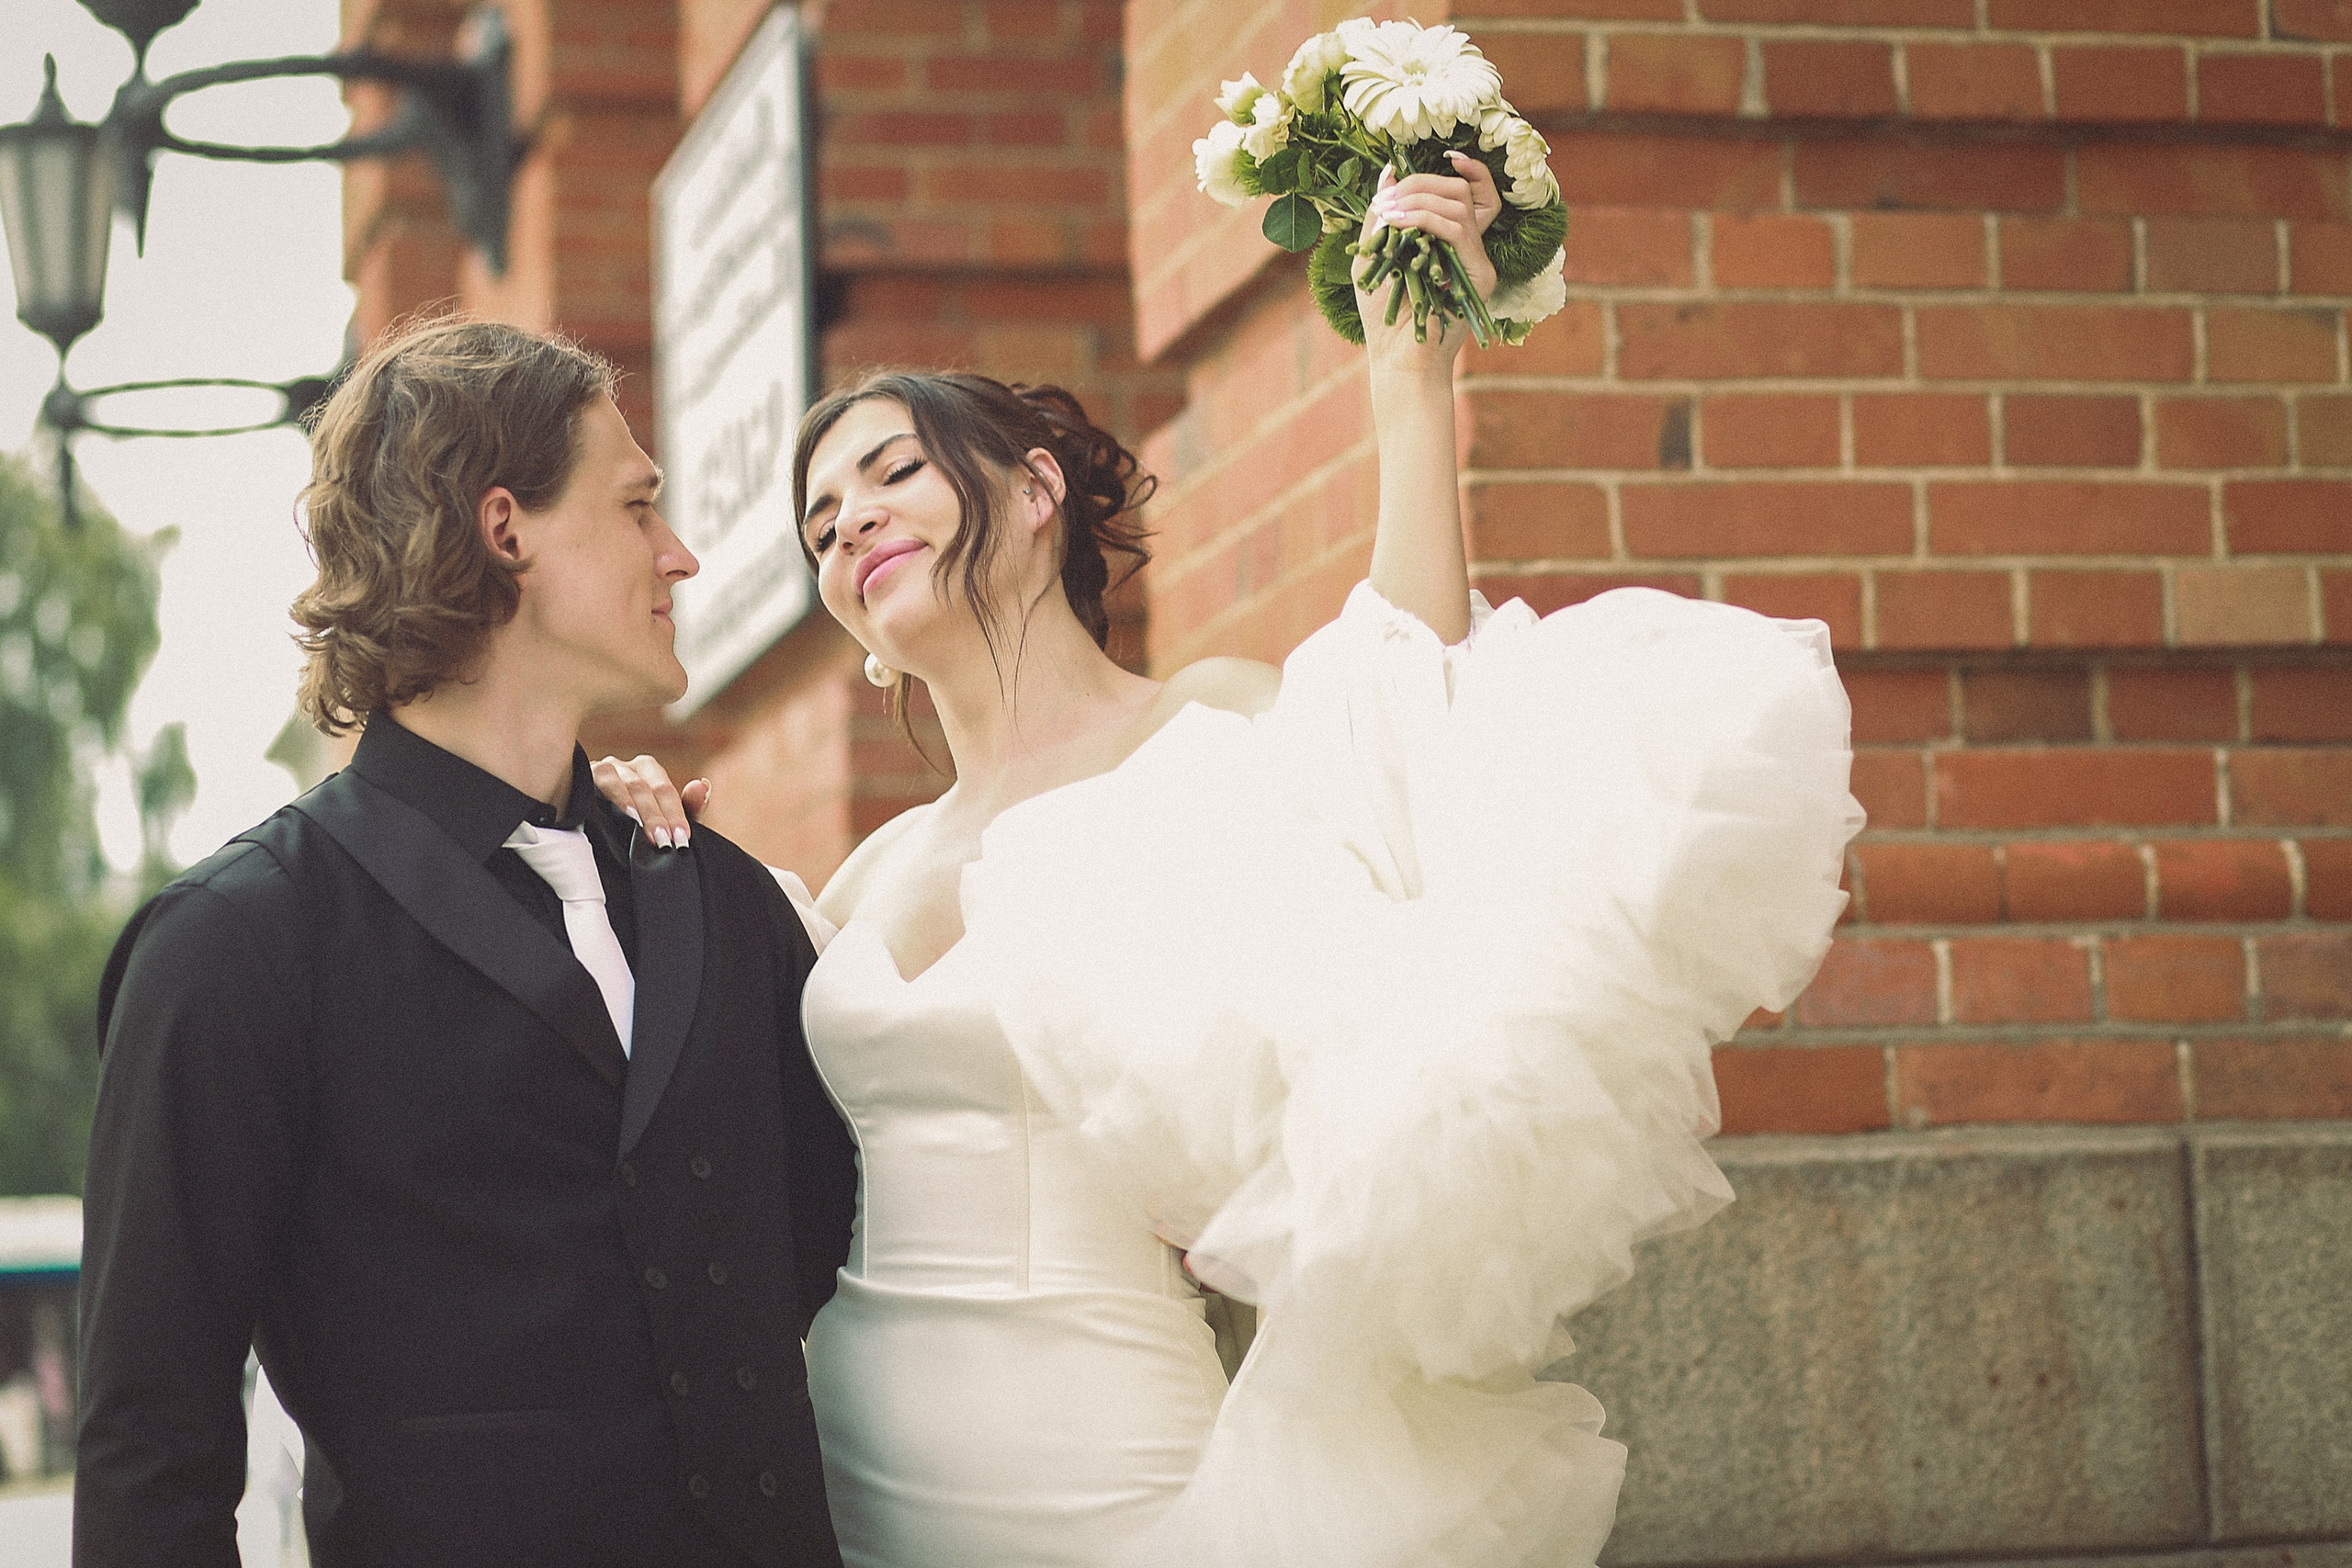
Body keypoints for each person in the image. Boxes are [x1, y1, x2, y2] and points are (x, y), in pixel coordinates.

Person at [603, 159, 1861, 1567]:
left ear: (1031, 495)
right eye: (824, 524)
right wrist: (631, 828)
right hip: (852, 1469)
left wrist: (1408, 379)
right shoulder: (860, 876)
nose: (854, 525)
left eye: (892, 474)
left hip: (1110, 1460)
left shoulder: (1201, 728)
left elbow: (1407, 720)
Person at [74, 319, 857, 1568]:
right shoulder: (232, 945)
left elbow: (821, 1239)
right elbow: (146, 1458)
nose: (682, 553)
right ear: (506, 531)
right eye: (638, 505)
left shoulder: (718, 897)